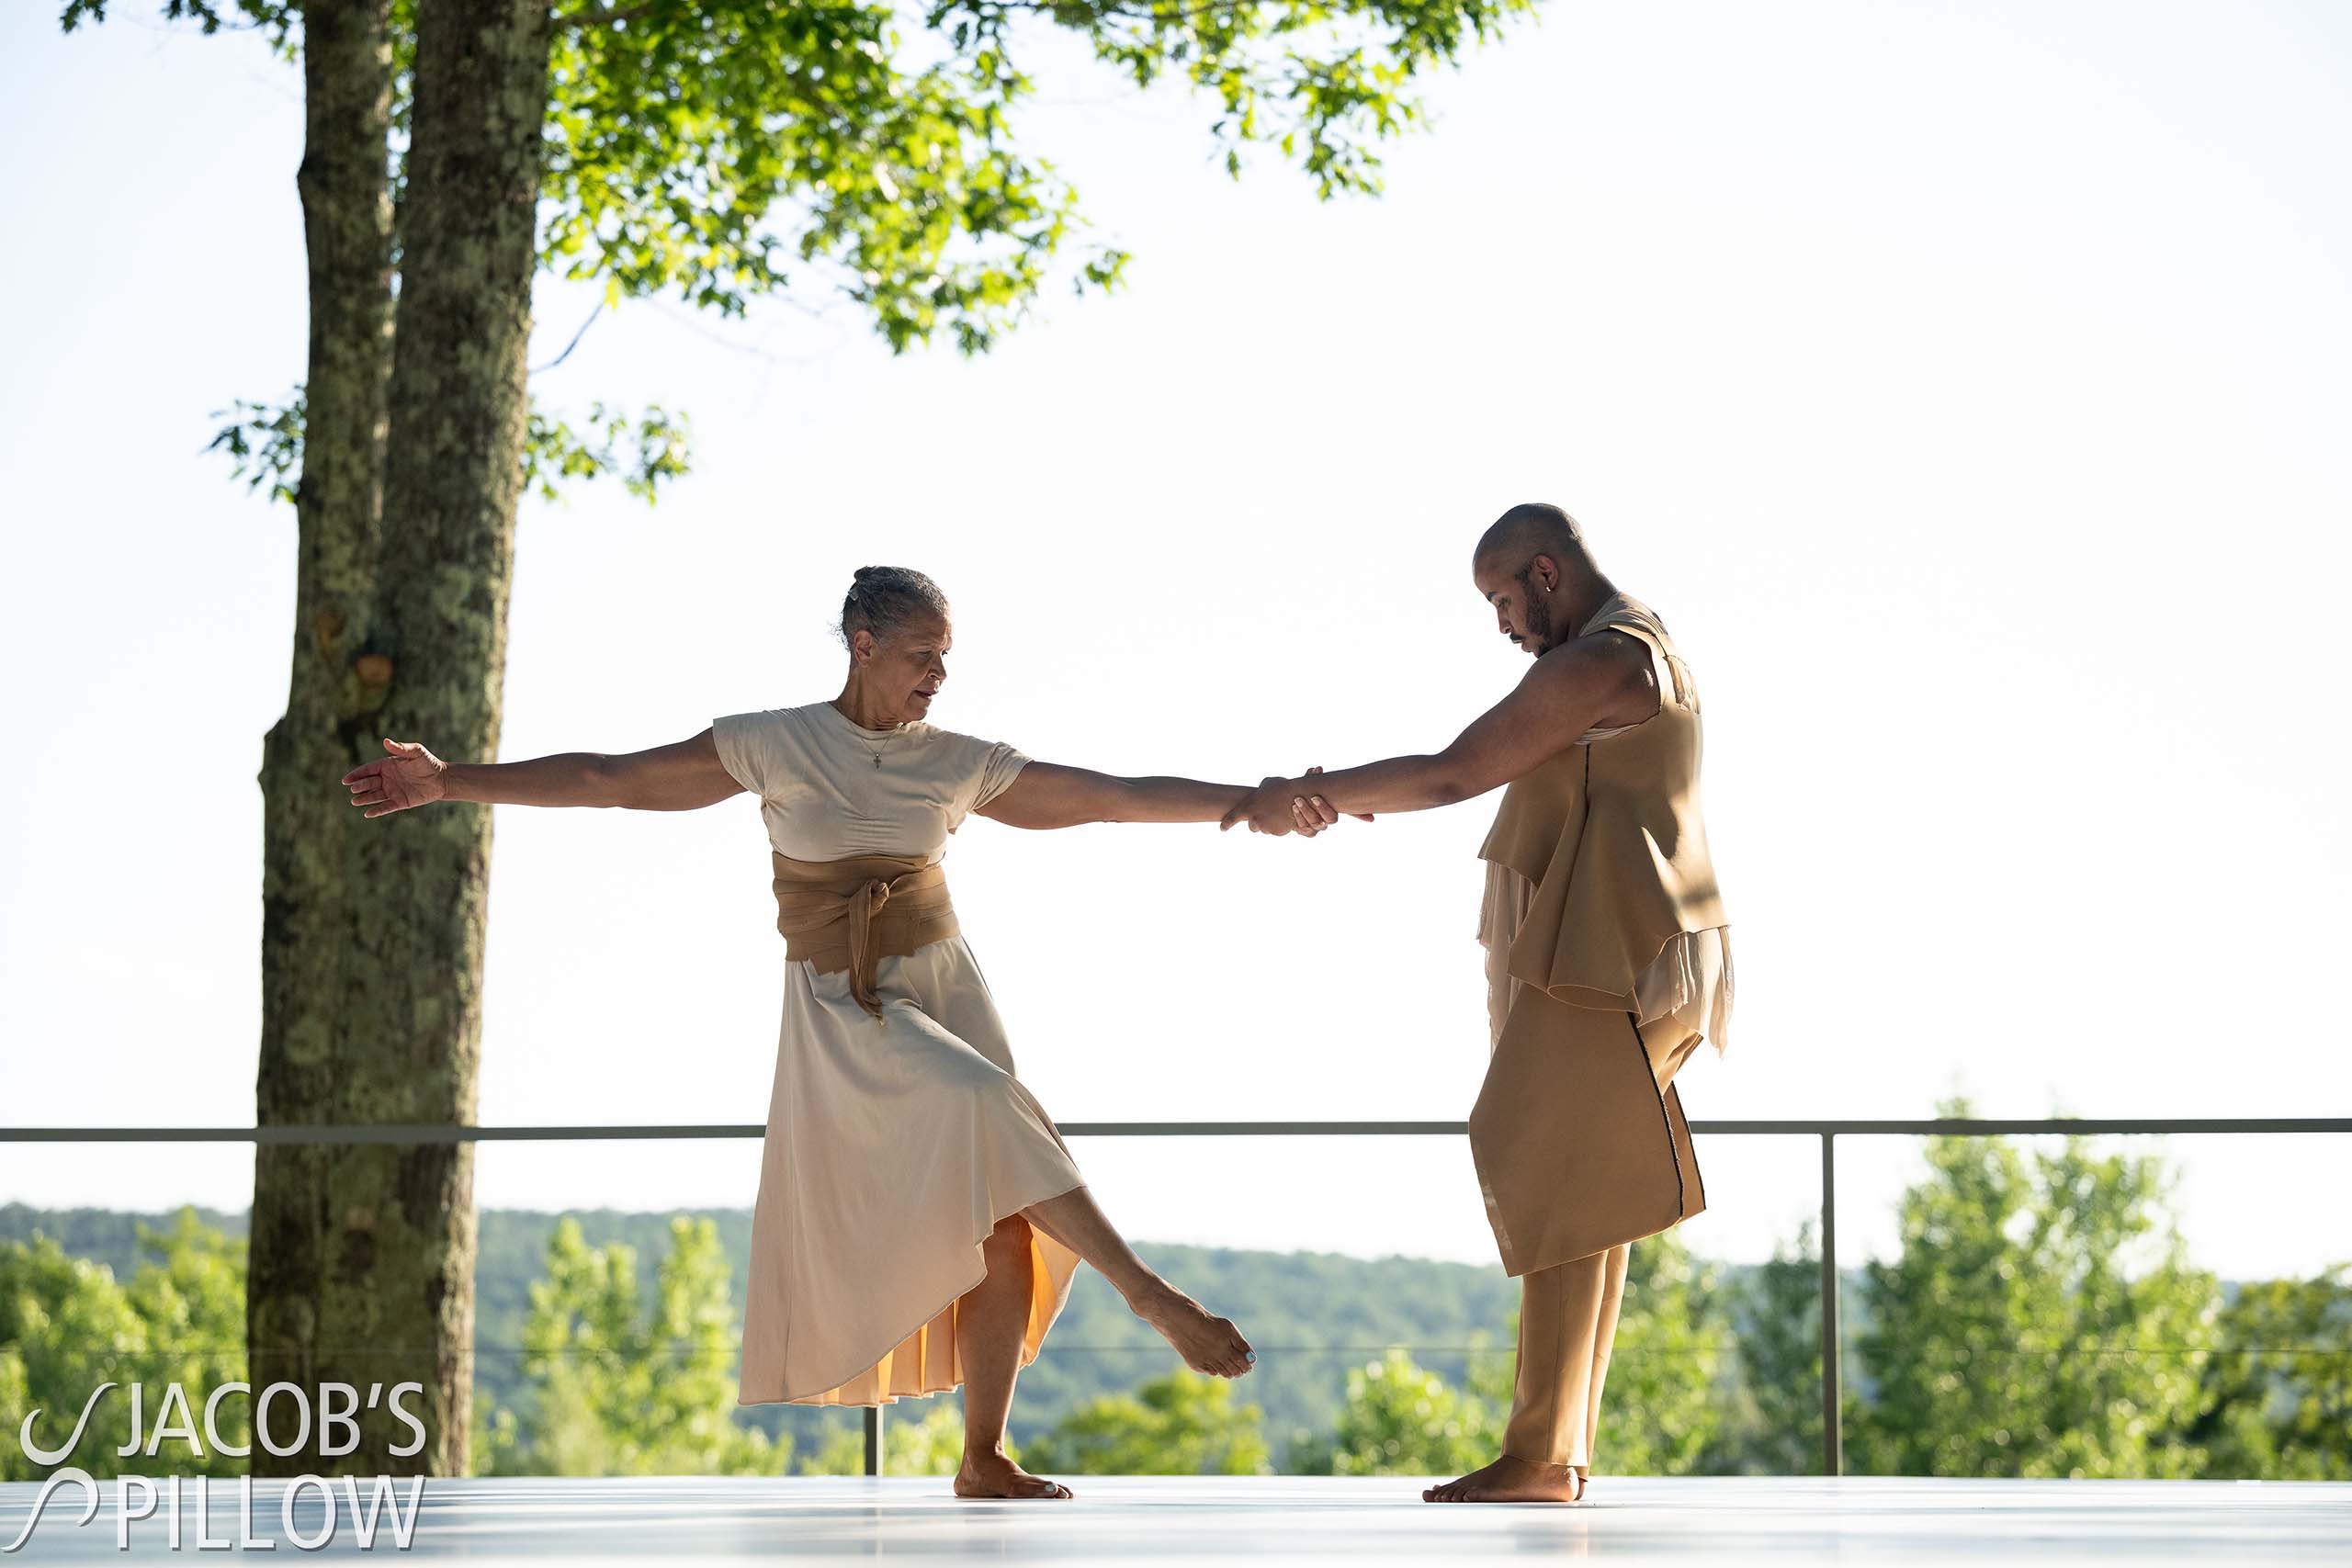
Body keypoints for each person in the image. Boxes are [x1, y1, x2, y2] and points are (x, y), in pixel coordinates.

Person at [342, 564, 1256, 1500]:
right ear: (864, 645)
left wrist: (1244, 802)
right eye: (923, 655)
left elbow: (1112, 794)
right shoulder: (772, 743)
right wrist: (449, 781)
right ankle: (1147, 1293)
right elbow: (607, 779)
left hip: (944, 987)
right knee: (986, 1107)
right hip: (843, 1002)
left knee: (1003, 1221)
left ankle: (983, 1457)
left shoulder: (956, 758)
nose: (938, 674)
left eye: (946, 658)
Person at [1223, 502, 1732, 1504]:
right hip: (1630, 942)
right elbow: (1479, 769)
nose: (1501, 623)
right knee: (1578, 1187)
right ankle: (1553, 1453)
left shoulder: (1597, 663)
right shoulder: (1637, 647)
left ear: (1545, 574)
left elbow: (1457, 771)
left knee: (1546, 1163)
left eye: (1503, 598)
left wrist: (1300, 794)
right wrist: (1351, 791)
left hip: (1607, 950)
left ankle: (1541, 1456)